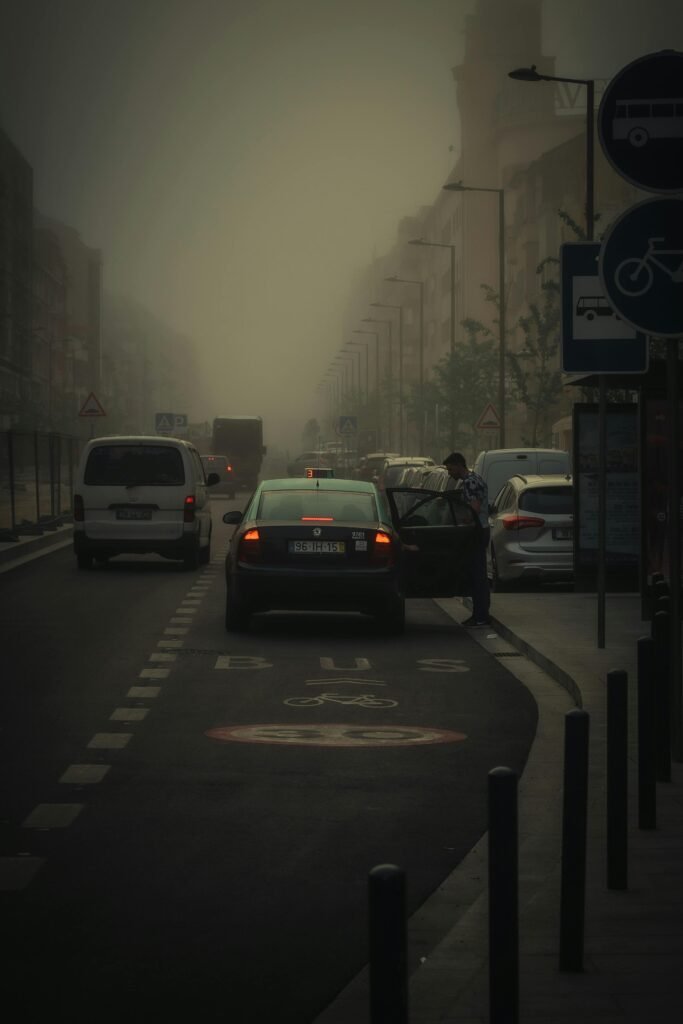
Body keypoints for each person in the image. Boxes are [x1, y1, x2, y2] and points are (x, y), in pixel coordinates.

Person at [443, 452, 491, 627]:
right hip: (482, 529)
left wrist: (463, 520)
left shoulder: (470, 482)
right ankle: (480, 614)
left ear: (458, 465)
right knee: (479, 574)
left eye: (450, 469)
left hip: (476, 531)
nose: (450, 473)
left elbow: (474, 508)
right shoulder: (476, 479)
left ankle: (480, 616)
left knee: (477, 574)